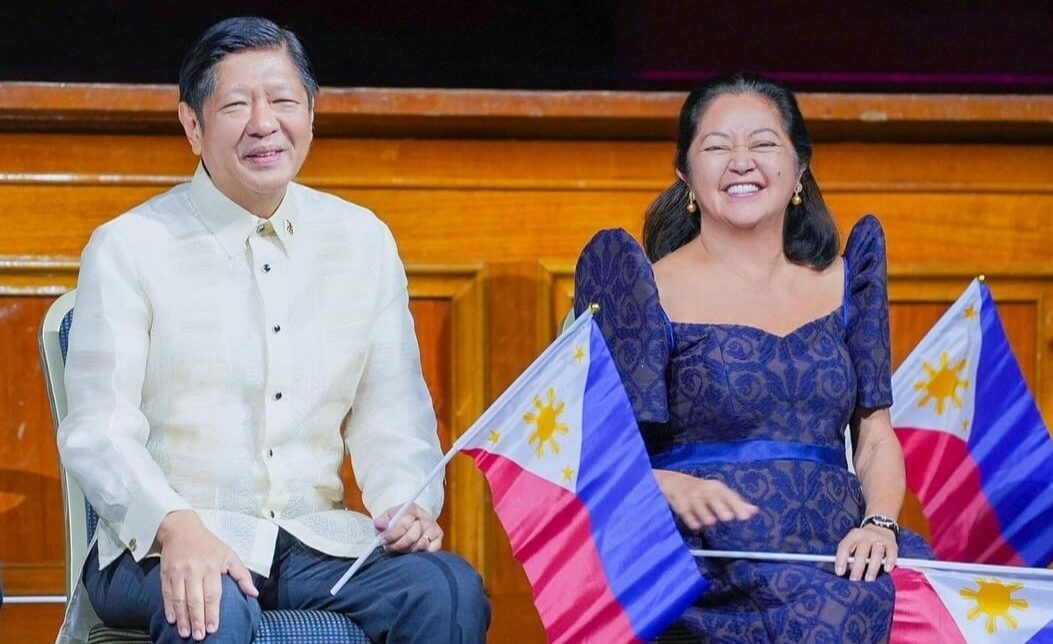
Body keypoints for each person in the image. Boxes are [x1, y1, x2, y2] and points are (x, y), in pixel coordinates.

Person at [56, 16, 489, 644]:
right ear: (192, 126)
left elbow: (391, 411)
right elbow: (99, 430)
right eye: (236, 105)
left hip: (314, 538)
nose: (265, 123)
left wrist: (406, 504)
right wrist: (174, 524)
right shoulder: (130, 247)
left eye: (283, 101)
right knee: (212, 606)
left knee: (444, 589)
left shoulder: (361, 240)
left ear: (311, 114)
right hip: (164, 538)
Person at [573, 72, 931, 641]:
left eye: (763, 143)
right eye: (717, 147)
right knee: (825, 613)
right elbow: (595, 453)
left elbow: (876, 436)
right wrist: (668, 485)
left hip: (838, 550)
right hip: (706, 560)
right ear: (687, 177)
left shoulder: (849, 281)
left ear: (799, 169)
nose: (741, 161)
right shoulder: (643, 288)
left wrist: (879, 524)